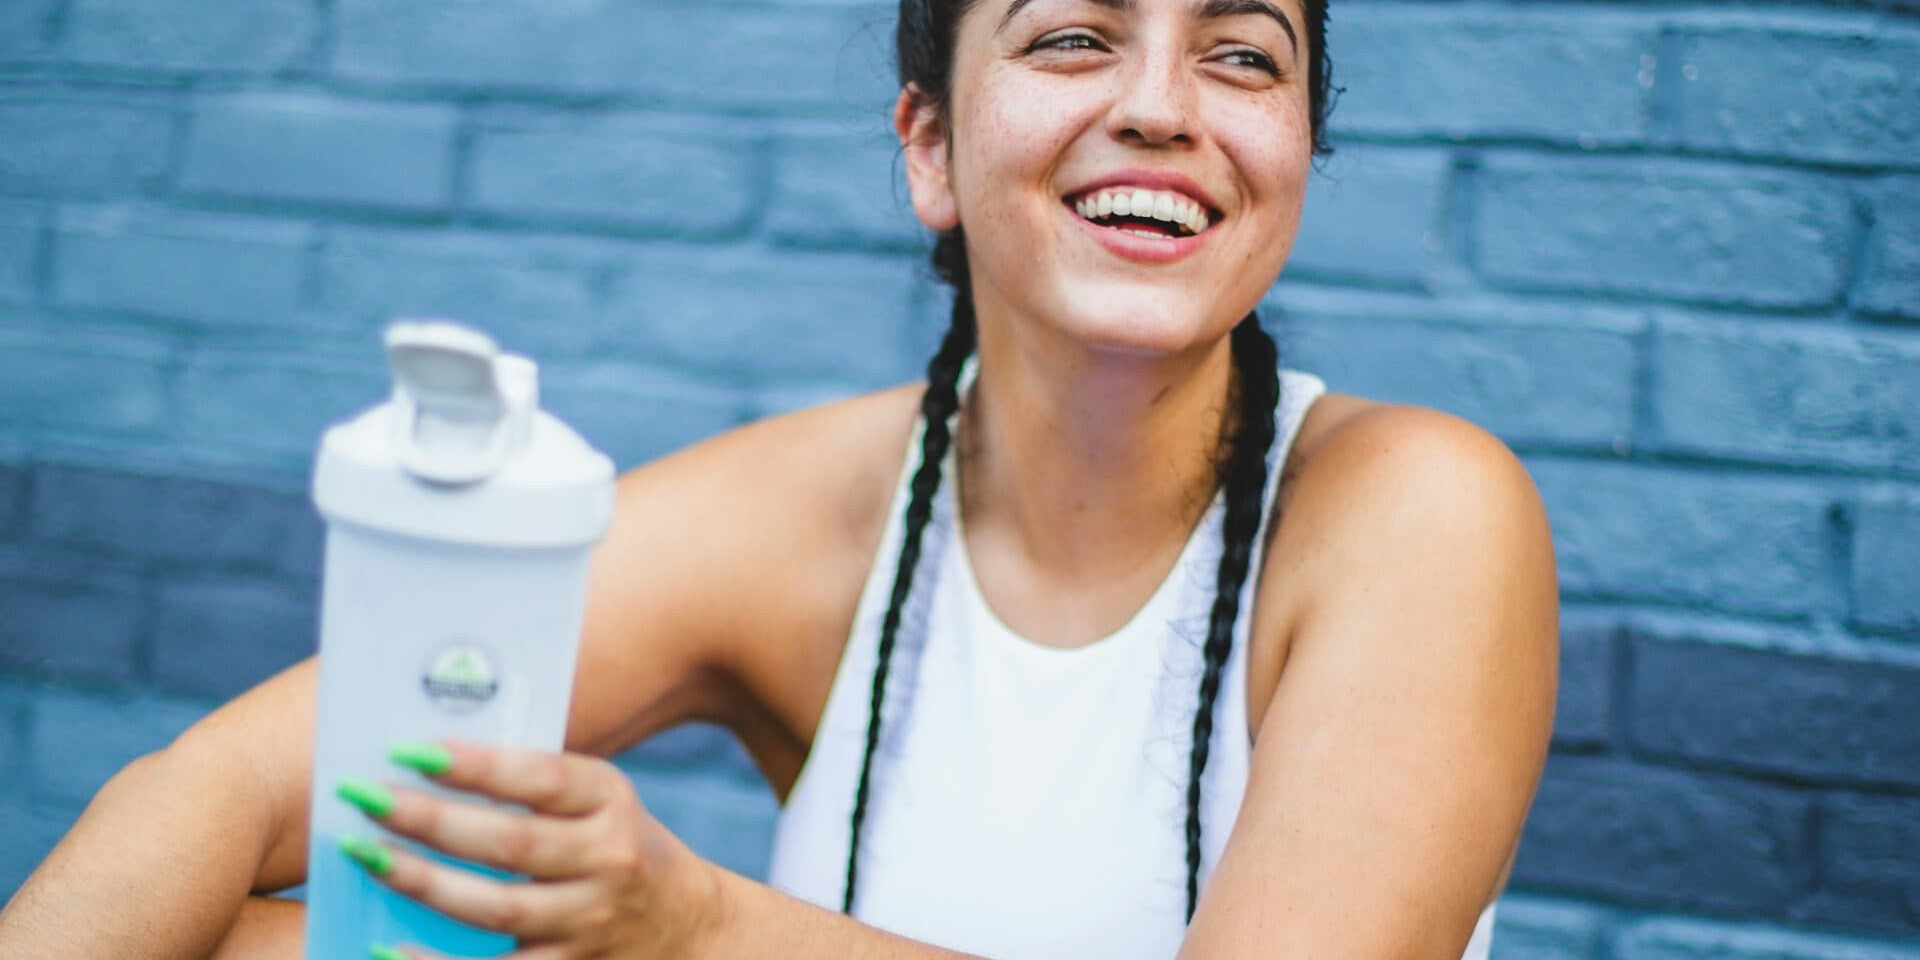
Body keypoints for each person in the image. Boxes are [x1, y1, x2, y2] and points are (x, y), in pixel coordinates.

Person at [0, 0, 1558, 956]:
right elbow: (208, 793)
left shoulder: (1416, 514)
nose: (1163, 102)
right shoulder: (824, 513)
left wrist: (690, 933)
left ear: (1293, 147)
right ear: (931, 147)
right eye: (1075, 35)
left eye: (1242, 53)